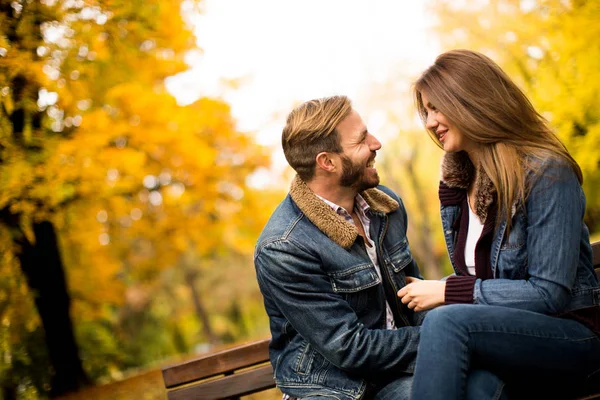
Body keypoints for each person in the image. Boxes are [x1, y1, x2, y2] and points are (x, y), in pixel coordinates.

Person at [398, 49, 600, 399]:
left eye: (436, 107)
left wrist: (447, 290)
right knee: (480, 389)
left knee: (444, 320)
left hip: (572, 336)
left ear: (472, 101)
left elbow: (549, 293)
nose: (430, 122)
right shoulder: (457, 186)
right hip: (503, 341)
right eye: (426, 111)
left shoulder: (546, 172)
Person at [254, 95, 424, 399]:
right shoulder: (283, 247)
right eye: (361, 140)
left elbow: (415, 298)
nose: (376, 143)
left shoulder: (386, 208)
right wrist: (445, 338)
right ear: (327, 162)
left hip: (400, 366)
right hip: (336, 388)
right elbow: (349, 348)